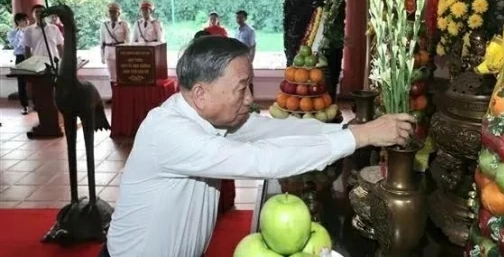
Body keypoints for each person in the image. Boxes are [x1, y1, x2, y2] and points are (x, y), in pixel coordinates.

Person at [103, 36, 415, 257]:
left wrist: (344, 129)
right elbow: (261, 160)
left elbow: (273, 130)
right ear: (200, 94)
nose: (251, 99)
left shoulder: (211, 119)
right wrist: (360, 138)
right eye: (242, 89)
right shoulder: (169, 132)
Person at [99, 2, 130, 83]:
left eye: (114, 12)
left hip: (120, 52)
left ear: (118, 13)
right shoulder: (104, 25)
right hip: (108, 52)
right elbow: (102, 42)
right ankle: (114, 94)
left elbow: (128, 41)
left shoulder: (124, 24)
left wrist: (127, 55)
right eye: (110, 12)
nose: (112, 14)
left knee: (121, 76)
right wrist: (102, 56)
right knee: (111, 77)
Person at [8, 13, 30, 114]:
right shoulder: (13, 33)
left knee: (37, 81)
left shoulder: (32, 30)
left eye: (26, 20)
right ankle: (25, 105)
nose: (25, 22)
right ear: (17, 22)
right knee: (21, 83)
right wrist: (21, 32)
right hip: (20, 57)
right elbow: (16, 45)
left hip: (32, 56)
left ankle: (38, 104)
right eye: (22, 20)